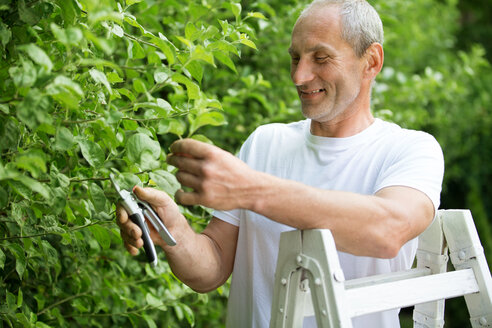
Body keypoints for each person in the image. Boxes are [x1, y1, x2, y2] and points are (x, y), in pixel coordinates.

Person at [116, 0, 444, 327]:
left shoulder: (410, 150)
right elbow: (211, 268)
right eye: (295, 58)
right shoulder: (265, 142)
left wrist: (250, 190)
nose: (300, 76)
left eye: (321, 57)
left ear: (371, 61)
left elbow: (387, 231)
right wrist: (175, 232)